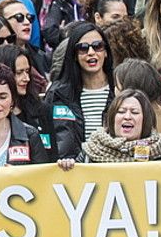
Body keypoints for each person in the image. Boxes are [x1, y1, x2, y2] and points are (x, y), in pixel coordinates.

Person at [46, 22, 116, 160]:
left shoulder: (120, 89)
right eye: (83, 48)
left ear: (106, 52)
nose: (91, 52)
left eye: (98, 46)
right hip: (72, 173)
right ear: (74, 55)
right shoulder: (58, 94)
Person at [59, 88, 161, 166]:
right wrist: (68, 167)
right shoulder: (91, 152)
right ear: (112, 117)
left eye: (135, 112)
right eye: (121, 112)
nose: (127, 117)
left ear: (146, 119)